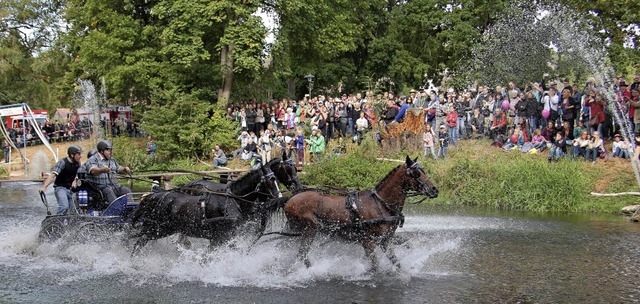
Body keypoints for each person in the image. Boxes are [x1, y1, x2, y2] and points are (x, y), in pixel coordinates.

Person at [39, 145, 84, 215]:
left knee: (74, 210)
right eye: (78, 154)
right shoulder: (62, 163)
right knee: (64, 207)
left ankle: (73, 224)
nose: (80, 156)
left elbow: (77, 176)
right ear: (72, 155)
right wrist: (44, 187)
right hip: (60, 188)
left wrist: (74, 183)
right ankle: (56, 222)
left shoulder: (78, 163)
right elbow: (52, 175)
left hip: (70, 189)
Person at [85, 140, 132, 205]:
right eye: (108, 150)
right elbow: (93, 171)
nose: (110, 152)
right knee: (108, 190)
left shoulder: (112, 160)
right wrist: (102, 170)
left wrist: (124, 169)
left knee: (126, 190)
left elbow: (118, 169)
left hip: (114, 186)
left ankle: (130, 209)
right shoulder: (93, 159)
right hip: (99, 188)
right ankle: (116, 209)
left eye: (111, 150)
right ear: (101, 151)